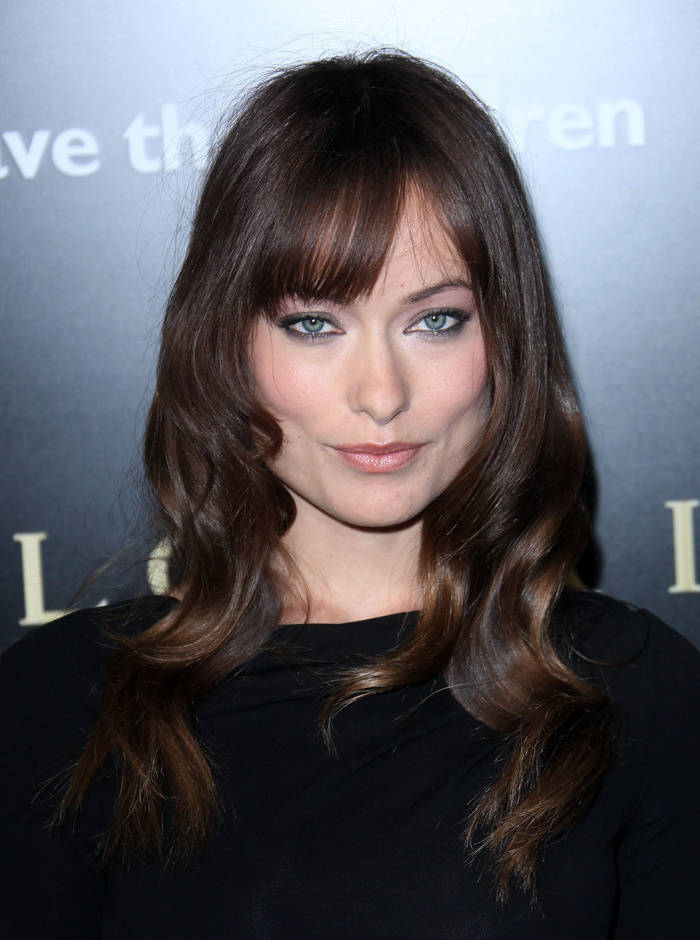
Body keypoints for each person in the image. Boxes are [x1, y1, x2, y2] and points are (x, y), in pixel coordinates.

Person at [1, 49, 699, 939]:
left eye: (436, 320)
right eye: (313, 323)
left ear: (505, 337)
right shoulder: (62, 705)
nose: (381, 393)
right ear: (224, 343)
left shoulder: (633, 692)